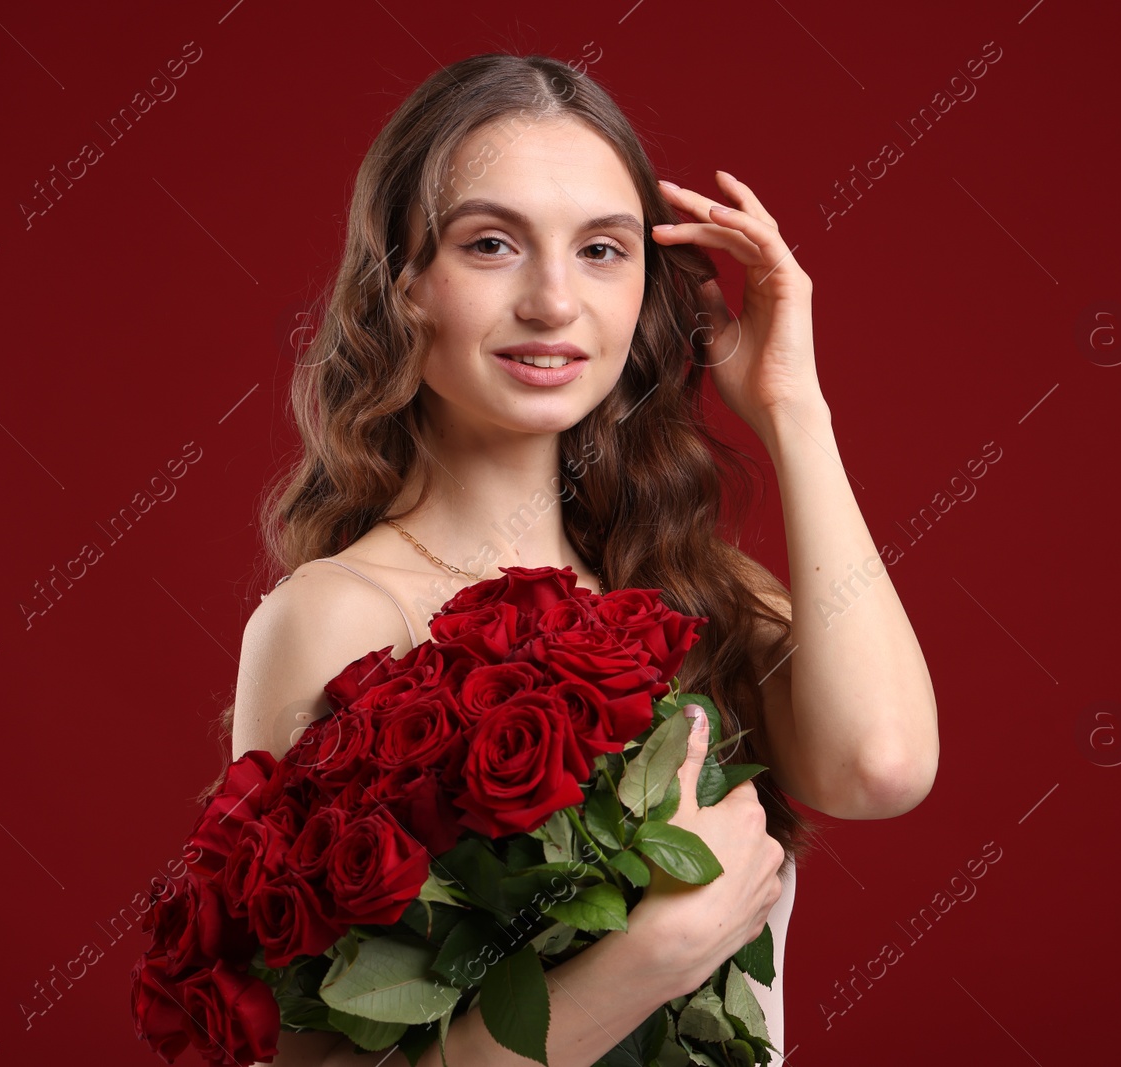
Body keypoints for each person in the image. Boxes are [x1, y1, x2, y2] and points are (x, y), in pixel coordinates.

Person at [212, 52, 939, 1066]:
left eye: (602, 250)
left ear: (647, 288)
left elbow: (880, 765)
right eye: (492, 243)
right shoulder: (333, 617)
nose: (554, 301)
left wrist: (792, 410)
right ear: (403, 281)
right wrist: (655, 955)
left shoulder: (703, 593)